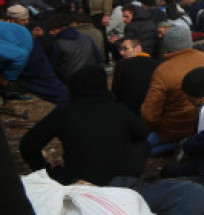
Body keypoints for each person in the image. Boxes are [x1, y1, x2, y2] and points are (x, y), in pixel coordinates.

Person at [20, 65, 149, 185]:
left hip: (79, 180)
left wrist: (47, 172)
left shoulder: (64, 113)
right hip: (122, 180)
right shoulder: (118, 110)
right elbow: (142, 133)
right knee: (142, 143)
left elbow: (28, 145)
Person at [141, 26, 204, 147]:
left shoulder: (163, 71)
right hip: (202, 125)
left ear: (167, 45)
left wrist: (157, 128)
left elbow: (149, 114)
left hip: (171, 131)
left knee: (144, 146)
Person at [112, 37, 160, 117]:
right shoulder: (157, 64)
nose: (121, 52)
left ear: (138, 48)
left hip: (129, 112)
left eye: (125, 49)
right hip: (152, 110)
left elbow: (116, 91)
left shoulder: (122, 65)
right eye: (120, 49)